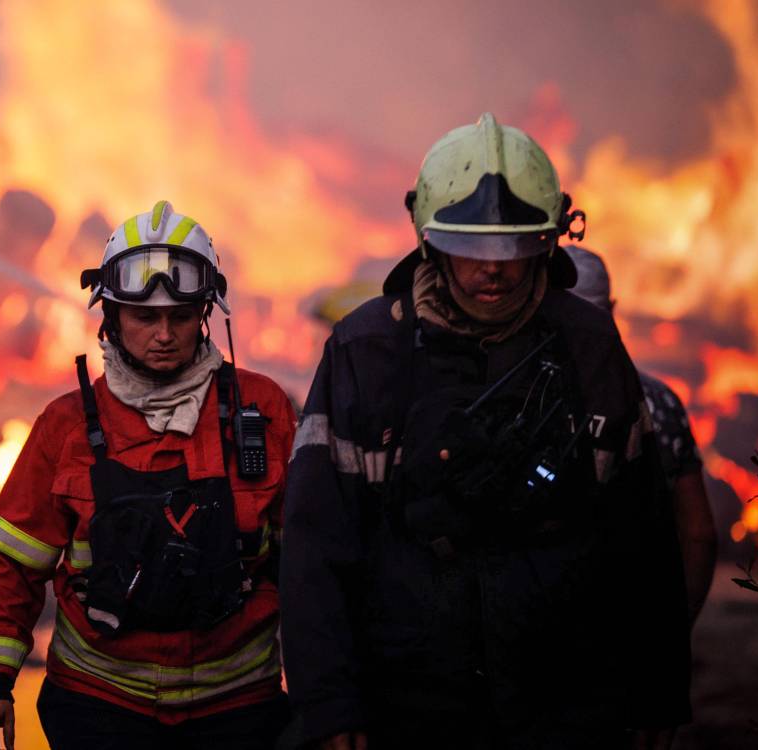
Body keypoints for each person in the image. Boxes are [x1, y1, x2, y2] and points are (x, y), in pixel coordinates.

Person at [278, 114, 691, 750]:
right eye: (472, 249)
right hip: (407, 706)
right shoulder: (366, 350)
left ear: (551, 240)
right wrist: (331, 706)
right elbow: (316, 545)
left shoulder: (589, 345)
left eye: (515, 248)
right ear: (427, 239)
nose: (494, 270)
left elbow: (640, 535)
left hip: (566, 706)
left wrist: (656, 689)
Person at [0, 201, 295, 750]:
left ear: (204, 315)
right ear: (111, 317)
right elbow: (10, 560)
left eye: (181, 316)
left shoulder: (262, 411)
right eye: (145, 317)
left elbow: (311, 563)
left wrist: (331, 698)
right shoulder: (65, 426)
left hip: (236, 709)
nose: (163, 334)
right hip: (99, 707)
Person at [564, 244, 717, 624]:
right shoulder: (659, 401)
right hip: (642, 619)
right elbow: (698, 533)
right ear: (611, 310)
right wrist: (680, 623)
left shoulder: (526, 400)